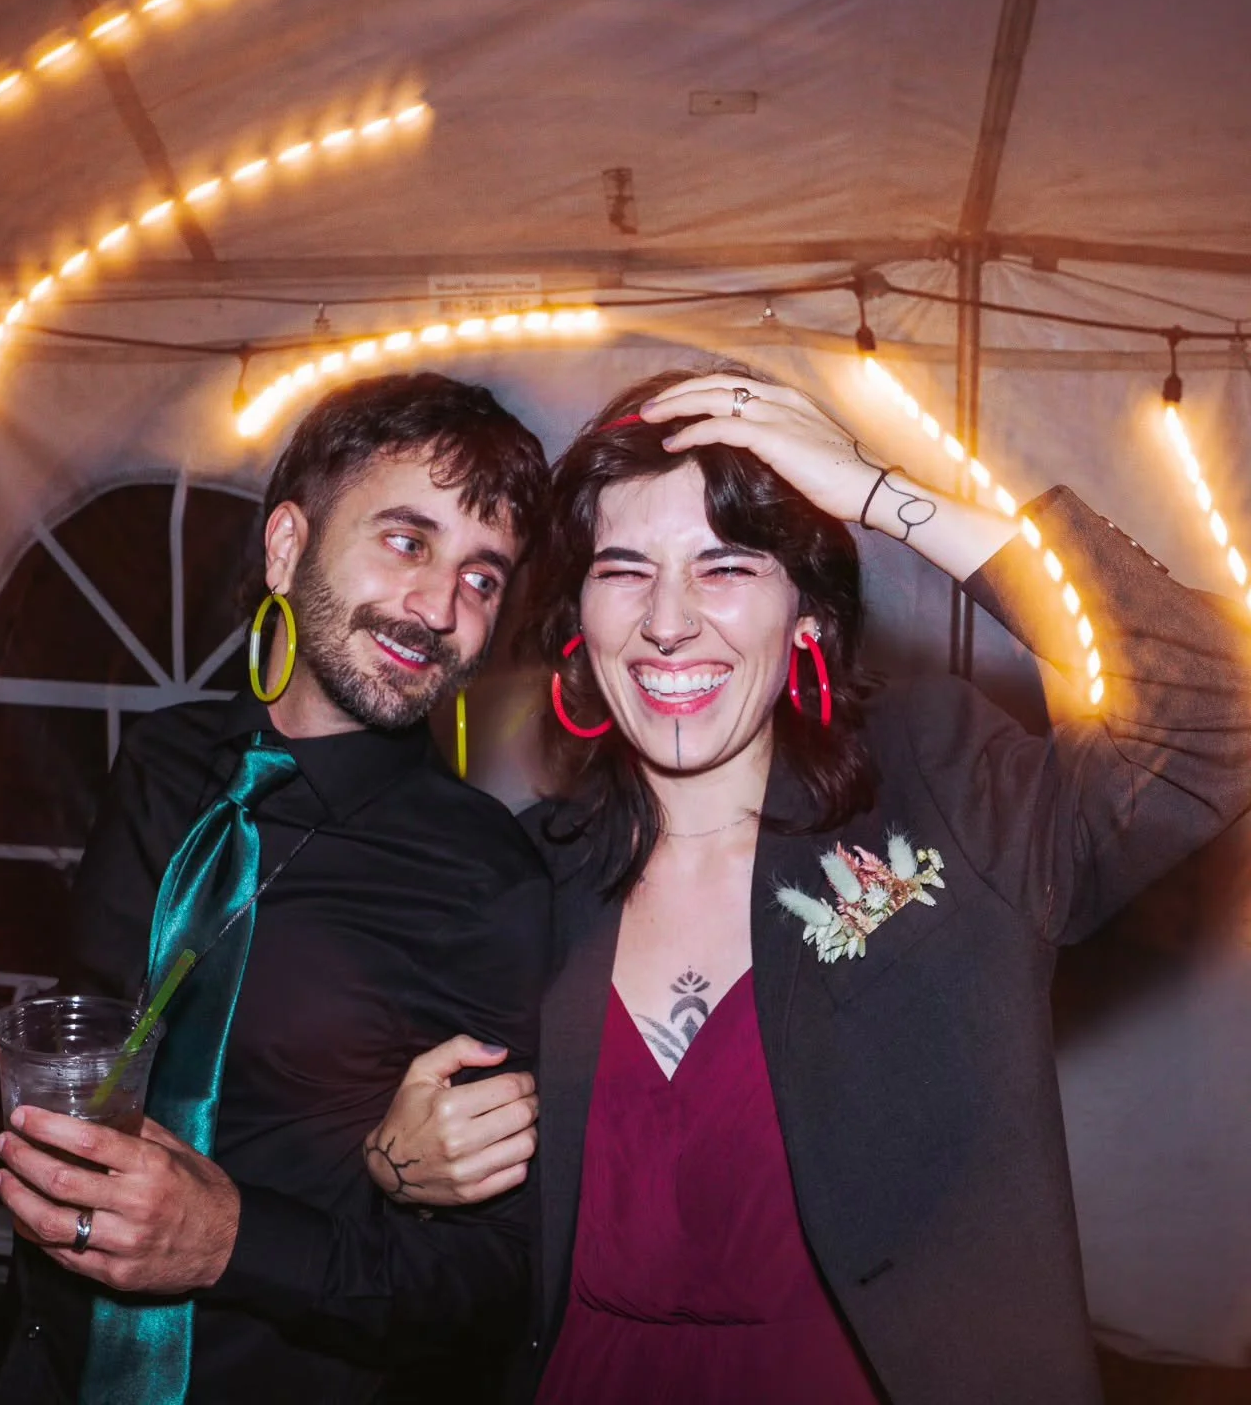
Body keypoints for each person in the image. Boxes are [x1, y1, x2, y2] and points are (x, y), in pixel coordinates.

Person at [366, 369, 1251, 1403]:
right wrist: (399, 1173)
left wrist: (882, 493)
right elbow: (474, 1238)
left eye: (726, 565)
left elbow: (1211, 708)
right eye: (624, 569)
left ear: (809, 621)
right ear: (579, 623)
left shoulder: (941, 789)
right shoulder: (526, 868)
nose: (668, 621)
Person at [0, 372, 553, 1404]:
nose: (440, 609)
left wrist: (232, 1241)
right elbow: (104, 1047)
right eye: (407, 539)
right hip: (49, 1362)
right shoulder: (163, 763)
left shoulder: (487, 880)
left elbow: (496, 1282)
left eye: (484, 577)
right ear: (287, 545)